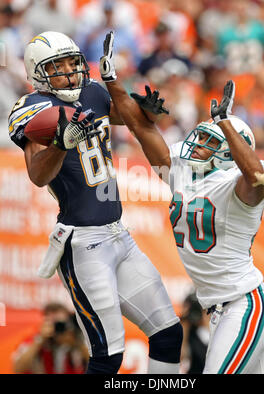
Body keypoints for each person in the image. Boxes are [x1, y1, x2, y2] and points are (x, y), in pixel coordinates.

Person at [100, 31, 264, 374]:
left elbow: (256, 177)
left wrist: (225, 123)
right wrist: (112, 80)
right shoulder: (182, 174)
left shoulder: (240, 185)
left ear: (230, 151)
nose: (197, 144)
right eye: (202, 136)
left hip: (245, 303)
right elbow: (142, 129)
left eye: (211, 141)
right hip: (219, 309)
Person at [8, 31, 182, 374]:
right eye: (58, 67)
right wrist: (62, 141)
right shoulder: (33, 109)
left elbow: (125, 116)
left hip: (120, 236)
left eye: (72, 63)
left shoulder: (90, 92)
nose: (70, 73)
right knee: (107, 358)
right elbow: (38, 175)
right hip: (83, 243)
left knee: (168, 334)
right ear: (37, 72)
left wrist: (144, 112)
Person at [13, 303, 89, 374]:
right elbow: (17, 369)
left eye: (61, 324)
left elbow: (96, 363)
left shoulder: (78, 339)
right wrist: (40, 339)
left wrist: (76, 342)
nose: (58, 328)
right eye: (54, 324)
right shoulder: (35, 340)